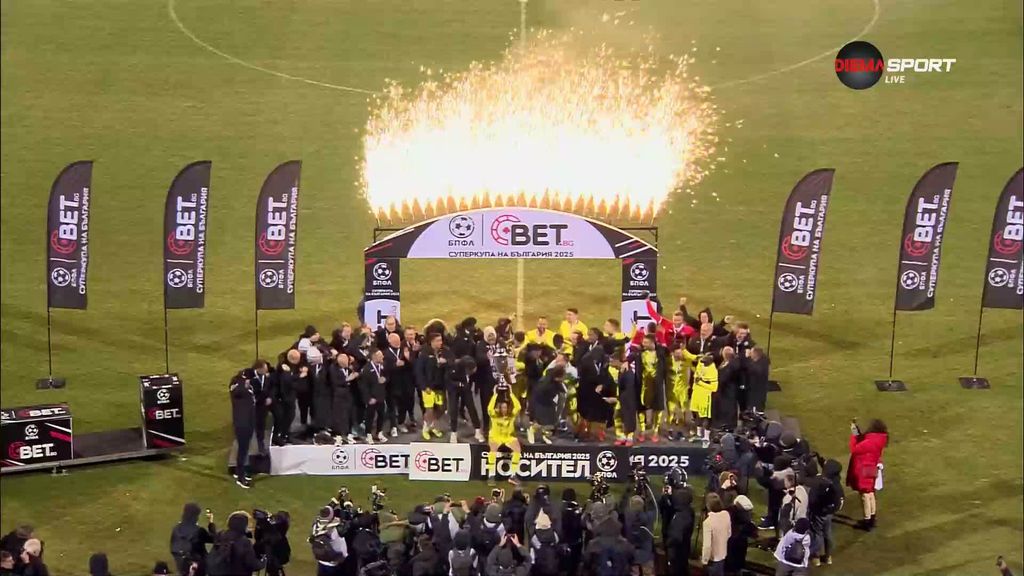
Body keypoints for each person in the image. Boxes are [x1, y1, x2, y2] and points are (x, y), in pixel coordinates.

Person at [847, 418, 888, 531]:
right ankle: (872, 518)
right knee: (870, 493)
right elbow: (862, 440)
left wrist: (854, 434)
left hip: (863, 470)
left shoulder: (868, 441)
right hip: (871, 468)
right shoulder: (878, 440)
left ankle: (867, 521)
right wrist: (855, 430)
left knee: (865, 495)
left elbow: (855, 448)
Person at [486, 389, 523, 486]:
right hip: (495, 437)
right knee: (493, 450)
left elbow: (518, 407)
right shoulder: (494, 415)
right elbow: (489, 408)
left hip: (507, 437)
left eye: (506, 407)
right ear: (499, 408)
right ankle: (491, 475)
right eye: (502, 407)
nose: (504, 409)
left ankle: (513, 475)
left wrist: (511, 393)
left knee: (517, 450)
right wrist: (495, 394)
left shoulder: (511, 415)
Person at [636, 334, 667, 442]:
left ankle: (655, 431)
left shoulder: (661, 353)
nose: (643, 344)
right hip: (643, 384)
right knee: (641, 407)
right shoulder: (640, 354)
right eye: (643, 342)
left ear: (652, 343)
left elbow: (665, 368)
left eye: (646, 342)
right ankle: (642, 431)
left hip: (657, 384)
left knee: (657, 408)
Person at [170, 503, 215, 575]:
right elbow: (214, 539)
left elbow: (173, 548)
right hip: (199, 567)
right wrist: (211, 522)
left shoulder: (176, 529)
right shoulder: (199, 531)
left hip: (183, 566)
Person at [421, 333, 452, 441]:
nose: (440, 343)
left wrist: (446, 362)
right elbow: (419, 371)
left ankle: (432, 425)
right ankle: (426, 428)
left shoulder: (444, 351)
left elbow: (452, 361)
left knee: (441, 408)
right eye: (438, 341)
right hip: (428, 387)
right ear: (432, 342)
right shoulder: (425, 353)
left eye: (441, 340)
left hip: (440, 386)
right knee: (429, 409)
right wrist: (424, 386)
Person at [229, 371, 257, 488]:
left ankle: (239, 471)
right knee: (242, 450)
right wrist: (243, 382)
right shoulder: (238, 390)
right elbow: (236, 390)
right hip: (242, 424)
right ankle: (241, 478)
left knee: (244, 450)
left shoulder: (248, 389)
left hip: (248, 423)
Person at [448, 356, 484, 443]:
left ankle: (477, 430)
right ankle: (453, 433)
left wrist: (476, 388)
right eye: (470, 372)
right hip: (454, 389)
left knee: (471, 407)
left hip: (466, 388)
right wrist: (459, 384)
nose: (471, 373)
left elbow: (475, 378)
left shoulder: (471, 365)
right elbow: (448, 380)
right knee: (453, 409)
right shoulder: (454, 367)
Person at [686, 352, 718, 445]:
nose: (703, 362)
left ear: (711, 361)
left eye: (705, 361)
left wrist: (700, 383)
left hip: (705, 395)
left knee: (706, 416)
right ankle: (699, 434)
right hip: (697, 393)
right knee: (696, 414)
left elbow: (714, 388)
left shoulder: (713, 370)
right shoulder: (701, 363)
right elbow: (696, 375)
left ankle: (706, 437)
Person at [383, 332, 411, 438]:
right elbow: (384, 368)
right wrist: (395, 365)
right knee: (392, 407)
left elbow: (411, 365)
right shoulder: (385, 353)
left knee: (403, 405)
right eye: (395, 341)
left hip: (404, 383)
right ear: (389, 341)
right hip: (391, 385)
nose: (397, 342)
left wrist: (408, 359)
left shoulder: (404, 351)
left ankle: (401, 423)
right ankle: (393, 427)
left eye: (398, 340)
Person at [328, 352, 358, 444]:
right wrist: (347, 379)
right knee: (339, 416)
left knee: (350, 415)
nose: (347, 363)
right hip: (339, 396)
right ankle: (339, 436)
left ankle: (349, 434)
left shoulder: (349, 368)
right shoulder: (333, 369)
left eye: (347, 361)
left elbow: (356, 371)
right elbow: (335, 383)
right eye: (345, 362)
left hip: (349, 395)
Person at [360, 349, 389, 444]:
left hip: (381, 395)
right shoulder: (367, 369)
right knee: (370, 416)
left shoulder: (383, 366)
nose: (383, 357)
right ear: (374, 357)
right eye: (380, 355)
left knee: (381, 415)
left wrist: (385, 379)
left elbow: (388, 376)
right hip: (372, 397)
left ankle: (379, 432)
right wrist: (368, 398)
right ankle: (368, 434)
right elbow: (363, 386)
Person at [272, 349, 300, 445]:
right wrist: (299, 376)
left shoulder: (287, 365)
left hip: (288, 397)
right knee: (283, 418)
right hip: (284, 398)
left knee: (290, 416)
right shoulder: (284, 370)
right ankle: (278, 436)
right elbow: (287, 384)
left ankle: (285, 434)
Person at [725, 495, 757, 576]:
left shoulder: (742, 519)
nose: (749, 514)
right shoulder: (731, 517)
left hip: (738, 546)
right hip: (731, 550)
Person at [701, 493, 731, 576]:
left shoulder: (708, 522)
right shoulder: (726, 514)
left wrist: (704, 561)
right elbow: (729, 533)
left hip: (712, 560)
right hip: (723, 556)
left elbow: (707, 545)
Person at [249, 360, 273, 453]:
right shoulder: (250, 377)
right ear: (259, 369)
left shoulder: (266, 376)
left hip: (264, 405)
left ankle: (261, 444)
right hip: (255, 405)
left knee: (261, 424)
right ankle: (259, 445)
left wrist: (270, 397)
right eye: (265, 369)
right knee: (257, 425)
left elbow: (270, 388)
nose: (266, 371)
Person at [715, 347, 739, 431]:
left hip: (729, 389)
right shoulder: (725, 362)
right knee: (724, 406)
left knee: (729, 407)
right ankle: (724, 423)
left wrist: (719, 382)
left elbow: (726, 377)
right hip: (724, 389)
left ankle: (730, 425)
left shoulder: (732, 365)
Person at [745, 347, 770, 414]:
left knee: (758, 406)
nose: (750, 354)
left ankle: (757, 414)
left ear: (755, 354)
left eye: (751, 353)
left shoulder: (761, 365)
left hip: (758, 389)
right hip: (755, 388)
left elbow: (753, 369)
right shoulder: (761, 360)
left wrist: (747, 358)